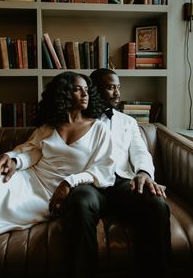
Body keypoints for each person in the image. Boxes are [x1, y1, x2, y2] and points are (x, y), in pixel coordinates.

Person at [0, 71, 115, 272]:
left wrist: (70, 182)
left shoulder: (99, 129)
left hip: (50, 194)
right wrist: (13, 160)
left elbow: (103, 170)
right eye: (77, 89)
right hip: (27, 179)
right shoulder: (49, 127)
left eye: (86, 90)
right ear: (64, 93)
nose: (85, 95)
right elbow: (31, 152)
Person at [62, 68, 171, 278]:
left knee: (157, 205)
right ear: (94, 89)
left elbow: (140, 151)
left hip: (123, 183)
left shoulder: (128, 122)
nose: (117, 93)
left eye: (118, 88)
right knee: (79, 203)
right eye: (111, 87)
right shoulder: (77, 121)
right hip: (91, 184)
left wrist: (144, 173)